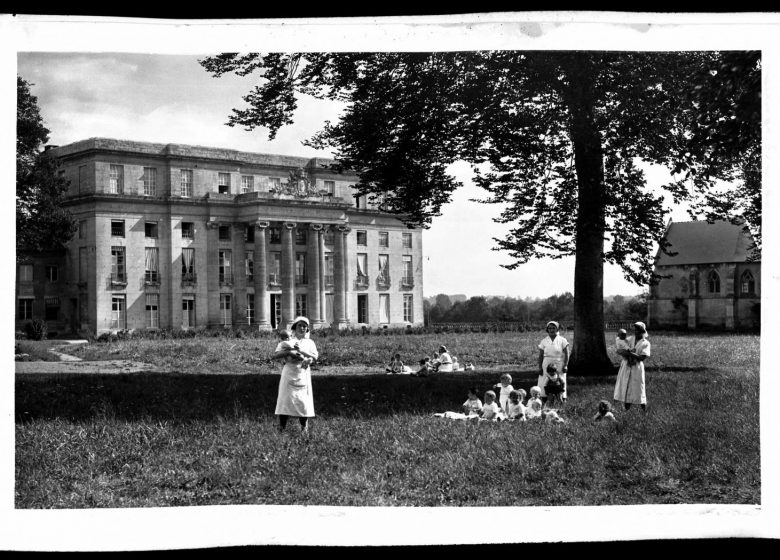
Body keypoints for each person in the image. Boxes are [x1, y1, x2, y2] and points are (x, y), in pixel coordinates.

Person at [273, 316, 318, 433]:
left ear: (307, 329)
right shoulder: (288, 340)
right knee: (285, 401)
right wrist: (289, 352)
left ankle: (304, 430)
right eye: (300, 325)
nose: (302, 328)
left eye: (304, 326)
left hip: (302, 372)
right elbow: (276, 355)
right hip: (289, 372)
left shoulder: (310, 342)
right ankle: (281, 429)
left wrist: (306, 357)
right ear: (294, 327)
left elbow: (314, 357)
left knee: (303, 402)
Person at [613, 321, 651, 412]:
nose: (636, 332)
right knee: (626, 386)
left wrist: (630, 353)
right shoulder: (630, 339)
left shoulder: (645, 343)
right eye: (635, 330)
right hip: (626, 365)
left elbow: (642, 357)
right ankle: (626, 409)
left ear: (642, 331)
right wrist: (624, 352)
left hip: (637, 367)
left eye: (638, 330)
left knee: (638, 388)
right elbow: (620, 347)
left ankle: (643, 409)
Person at [537, 321, 570, 404]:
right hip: (546, 361)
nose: (551, 330)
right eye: (550, 328)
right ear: (547, 329)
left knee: (561, 379)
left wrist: (565, 365)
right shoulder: (544, 341)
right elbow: (541, 355)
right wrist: (540, 367)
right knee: (544, 379)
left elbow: (566, 353)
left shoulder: (562, 340)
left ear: (557, 329)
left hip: (558, 362)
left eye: (553, 328)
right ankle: (544, 398)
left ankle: (562, 398)